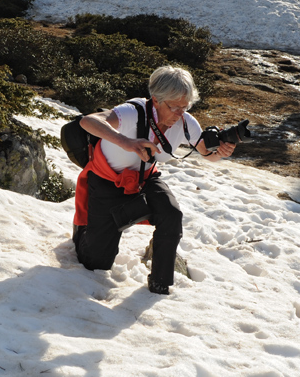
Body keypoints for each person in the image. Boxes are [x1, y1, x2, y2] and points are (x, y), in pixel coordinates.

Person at [73, 66, 236, 295]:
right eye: (175, 106)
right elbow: (88, 121)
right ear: (156, 99)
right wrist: (125, 142)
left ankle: (160, 283)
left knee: (171, 214)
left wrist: (222, 152)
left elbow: (208, 154)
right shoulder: (132, 112)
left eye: (185, 105)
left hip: (145, 179)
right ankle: (83, 229)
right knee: (96, 262)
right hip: (107, 180)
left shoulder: (186, 123)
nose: (180, 113)